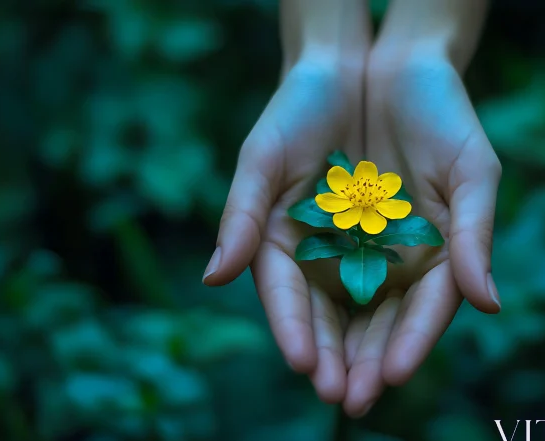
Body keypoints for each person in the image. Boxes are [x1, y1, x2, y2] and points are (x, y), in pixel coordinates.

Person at [201, 0, 501, 418]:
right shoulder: (337, 202)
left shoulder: (382, 199)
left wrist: (418, 49)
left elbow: (397, 211)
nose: (364, 190)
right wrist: (325, 49)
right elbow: (325, 205)